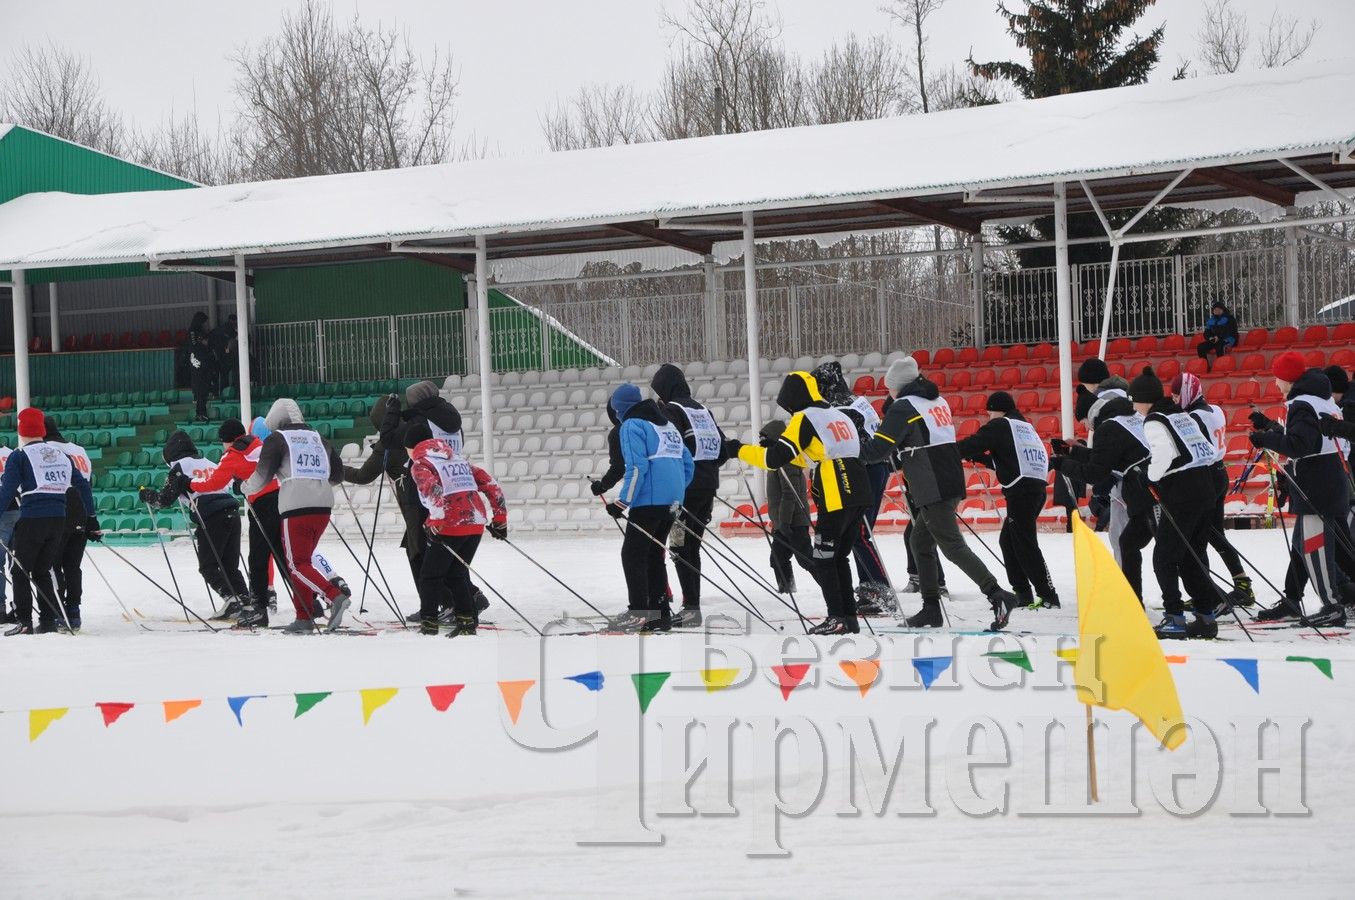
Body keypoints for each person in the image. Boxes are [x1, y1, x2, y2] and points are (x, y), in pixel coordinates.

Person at [860, 356, 1019, 631]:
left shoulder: (903, 406)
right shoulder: (937, 400)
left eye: (889, 389)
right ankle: (931, 608)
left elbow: (878, 450)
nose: (889, 394)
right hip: (948, 478)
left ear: (897, 386)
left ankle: (997, 594)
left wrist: (849, 449)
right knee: (920, 542)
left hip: (931, 483)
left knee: (952, 546)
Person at [726, 372, 874, 635]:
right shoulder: (839, 415)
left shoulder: (804, 417)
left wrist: (739, 449)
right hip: (860, 487)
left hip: (835, 489)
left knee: (824, 557)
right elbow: (809, 456)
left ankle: (836, 617)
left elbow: (774, 459)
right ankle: (848, 617)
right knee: (839, 556)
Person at [1249, 352, 1351, 627]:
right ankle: (1294, 600)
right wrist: (1270, 430)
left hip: (1318, 483)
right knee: (1304, 545)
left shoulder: (1302, 403)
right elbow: (1307, 438)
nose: (1276, 384)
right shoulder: (1321, 399)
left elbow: (1300, 445)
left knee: (1313, 548)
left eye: (1278, 378)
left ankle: (1331, 605)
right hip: (1330, 479)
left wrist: (1265, 439)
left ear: (1288, 378)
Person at [240, 399, 350, 633]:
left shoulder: (277, 439)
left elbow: (261, 478)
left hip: (295, 507)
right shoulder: (320, 438)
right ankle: (304, 615)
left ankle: (334, 597)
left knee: (296, 564)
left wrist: (243, 487)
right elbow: (337, 475)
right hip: (323, 506)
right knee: (302, 562)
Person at [1131, 366, 1225, 639]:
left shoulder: (1154, 421)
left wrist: (1149, 476)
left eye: (1134, 400)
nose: (1134, 406)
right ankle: (1206, 618)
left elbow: (1163, 456)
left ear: (1144, 399)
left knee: (1164, 557)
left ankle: (1174, 618)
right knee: (1192, 558)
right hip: (1207, 486)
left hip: (1183, 492)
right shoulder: (1182, 414)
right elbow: (1206, 449)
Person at [1053, 377, 1153, 600]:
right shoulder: (1125, 417)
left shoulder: (1108, 428)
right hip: (1150, 488)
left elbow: (1096, 472)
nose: (1086, 428)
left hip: (1149, 492)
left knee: (1159, 551)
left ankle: (1141, 602)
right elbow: (1110, 459)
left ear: (1091, 414)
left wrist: (1062, 465)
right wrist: (1072, 452)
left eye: (1084, 422)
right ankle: (1130, 597)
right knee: (1127, 542)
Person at [957, 391, 1059, 610]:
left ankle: (1048, 595)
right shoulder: (1024, 427)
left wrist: (948, 453)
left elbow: (974, 442)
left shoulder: (1001, 425)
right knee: (1010, 541)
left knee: (1025, 543)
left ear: (996, 410)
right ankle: (1023, 593)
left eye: (989, 412)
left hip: (1022, 492)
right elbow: (1008, 461)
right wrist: (982, 459)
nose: (988, 417)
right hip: (1034, 488)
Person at [0, 408, 97, 635]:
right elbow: (82, 485)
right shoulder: (61, 456)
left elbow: (7, 491)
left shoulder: (20, 456)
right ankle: (48, 620)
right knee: (43, 570)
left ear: (21, 430)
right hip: (58, 519)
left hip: (33, 517)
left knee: (20, 570)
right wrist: (91, 516)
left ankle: (24, 621)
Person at [605, 385, 694, 632]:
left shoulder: (632, 425)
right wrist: (676, 492)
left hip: (648, 501)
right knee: (654, 555)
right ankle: (660, 614)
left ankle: (639, 612)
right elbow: (687, 464)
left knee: (632, 555)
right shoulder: (666, 425)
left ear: (619, 408)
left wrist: (622, 502)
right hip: (673, 501)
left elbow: (636, 467)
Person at [407, 422, 508, 637]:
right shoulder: (458, 459)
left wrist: (435, 521)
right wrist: (500, 520)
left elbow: (432, 491)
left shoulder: (420, 464)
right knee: (457, 574)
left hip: (451, 523)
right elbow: (492, 485)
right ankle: (466, 622)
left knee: (430, 576)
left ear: (410, 446)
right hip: (475, 522)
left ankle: (429, 625)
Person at [812, 361, 895, 615]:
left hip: (863, 468)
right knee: (860, 532)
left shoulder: (839, 407)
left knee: (858, 532)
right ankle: (872, 587)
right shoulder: (858, 400)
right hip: (877, 465)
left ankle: (879, 589)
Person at [141, 429, 251, 618]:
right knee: (229, 565)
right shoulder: (209, 462)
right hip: (232, 512)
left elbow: (164, 500)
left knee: (208, 566)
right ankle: (246, 601)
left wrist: (147, 495)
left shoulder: (179, 467)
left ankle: (232, 599)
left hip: (211, 516)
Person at [652, 363, 730, 628]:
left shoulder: (672, 410)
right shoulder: (702, 410)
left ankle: (690, 607)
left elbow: (671, 447)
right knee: (690, 546)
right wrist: (707, 472)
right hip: (708, 486)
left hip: (684, 488)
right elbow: (721, 450)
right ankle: (690, 604)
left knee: (680, 546)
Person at [189, 418, 288, 627]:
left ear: (227, 440)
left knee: (258, 559)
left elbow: (213, 483)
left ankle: (259, 611)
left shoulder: (233, 454)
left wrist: (188, 483)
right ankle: (308, 603)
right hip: (282, 499)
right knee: (283, 555)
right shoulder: (260, 445)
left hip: (261, 505)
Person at [1172, 372, 1255, 609]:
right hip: (1220, 473)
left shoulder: (1193, 417)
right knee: (1215, 533)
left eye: (1178, 394)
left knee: (1199, 537)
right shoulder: (1215, 410)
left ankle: (1205, 591)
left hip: (1206, 477)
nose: (1176, 399)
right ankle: (1241, 582)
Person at [45, 423, 99, 630]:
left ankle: (59, 610)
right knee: (73, 565)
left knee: (53, 564)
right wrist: (91, 516)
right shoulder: (79, 450)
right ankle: (74, 609)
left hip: (61, 506)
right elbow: (87, 483)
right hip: (82, 509)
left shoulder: (49, 449)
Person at [761, 420, 813, 595]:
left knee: (806, 559)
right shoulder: (776, 461)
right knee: (777, 559)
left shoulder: (787, 461)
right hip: (783, 522)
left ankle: (832, 586)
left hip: (793, 522)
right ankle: (787, 590)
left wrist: (784, 521)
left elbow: (790, 493)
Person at [0, 446, 20, 625]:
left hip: (2, 513)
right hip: (18, 509)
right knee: (18, 562)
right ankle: (21, 606)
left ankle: (0, 608)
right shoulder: (11, 453)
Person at [187, 312, 215, 423]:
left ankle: (201, 413)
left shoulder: (200, 331)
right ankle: (200, 413)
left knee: (203, 391)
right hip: (198, 363)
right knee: (200, 390)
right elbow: (195, 345)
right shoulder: (193, 331)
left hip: (202, 364)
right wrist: (203, 343)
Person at [1196, 303, 1238, 371]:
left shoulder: (1229, 318)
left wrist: (1218, 337)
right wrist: (1209, 338)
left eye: (1219, 309)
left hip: (1228, 338)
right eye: (1215, 309)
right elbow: (1207, 332)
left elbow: (1230, 331)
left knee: (1219, 345)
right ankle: (1206, 366)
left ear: (1223, 310)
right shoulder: (1211, 320)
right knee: (1200, 347)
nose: (1217, 310)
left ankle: (1221, 367)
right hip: (1215, 339)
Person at [209, 314, 239, 393]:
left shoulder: (220, 328)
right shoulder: (229, 329)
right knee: (226, 372)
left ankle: (219, 391)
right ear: (233, 321)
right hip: (223, 354)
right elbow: (233, 339)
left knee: (219, 373)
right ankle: (225, 390)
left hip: (215, 353)